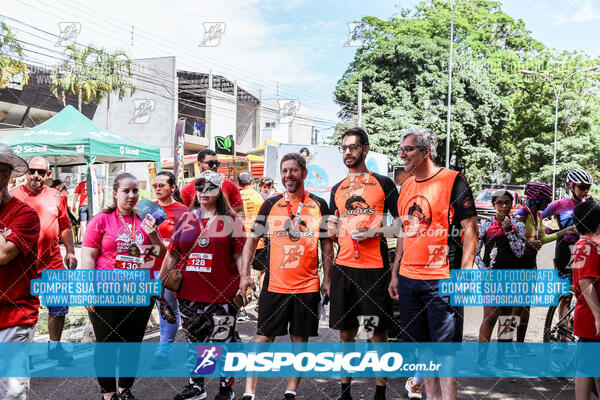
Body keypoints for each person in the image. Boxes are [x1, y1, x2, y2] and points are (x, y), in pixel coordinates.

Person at [390, 128, 478, 400]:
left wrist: (464, 277)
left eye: (408, 149)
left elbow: (470, 229)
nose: (402, 154)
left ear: (426, 151)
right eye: (401, 149)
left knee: (446, 350)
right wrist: (395, 273)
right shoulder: (405, 186)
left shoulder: (453, 180)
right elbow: (405, 231)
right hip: (408, 279)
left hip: (442, 279)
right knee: (422, 348)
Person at [239, 153, 333, 400]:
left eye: (293, 170)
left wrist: (328, 279)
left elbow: (326, 246)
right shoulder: (269, 204)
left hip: (307, 286)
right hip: (276, 284)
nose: (288, 175)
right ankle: (249, 393)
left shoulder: (320, 205)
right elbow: (252, 239)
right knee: (263, 337)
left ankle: (290, 391)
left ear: (304, 173)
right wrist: (245, 274)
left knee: (299, 340)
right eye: (284, 171)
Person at [326, 127, 399, 400]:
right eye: (344, 147)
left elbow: (403, 225)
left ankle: (380, 392)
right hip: (344, 268)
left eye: (353, 147)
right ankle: (345, 392)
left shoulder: (383, 183)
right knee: (346, 334)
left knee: (376, 332)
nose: (347, 152)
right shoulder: (337, 188)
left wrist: (374, 232)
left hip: (374, 268)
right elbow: (332, 231)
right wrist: (332, 231)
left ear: (365, 149)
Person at [159, 170, 246, 400]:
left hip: (222, 294)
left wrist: (244, 282)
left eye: (210, 187)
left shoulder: (232, 220)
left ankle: (226, 387)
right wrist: (160, 282)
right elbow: (172, 254)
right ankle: (197, 387)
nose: (204, 192)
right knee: (194, 341)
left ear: (219, 192)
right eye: (200, 187)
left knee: (223, 341)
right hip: (188, 293)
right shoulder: (187, 218)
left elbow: (239, 256)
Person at [82, 172, 166, 400]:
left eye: (135, 190)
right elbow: (89, 257)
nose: (131, 195)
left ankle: (125, 389)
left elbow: (156, 256)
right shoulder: (101, 220)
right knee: (107, 346)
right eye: (126, 191)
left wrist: (154, 237)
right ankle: (108, 394)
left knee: (132, 345)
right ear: (115, 193)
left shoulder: (145, 220)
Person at [10, 156, 78, 365]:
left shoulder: (57, 196)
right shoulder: (12, 196)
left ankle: (55, 348)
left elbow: (65, 225)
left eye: (41, 172)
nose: (35, 175)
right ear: (25, 173)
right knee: (23, 311)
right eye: (31, 171)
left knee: (58, 308)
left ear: (48, 175)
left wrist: (71, 252)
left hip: (52, 263)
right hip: (22, 264)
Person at [515, 169, 594, 325]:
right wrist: (533, 234)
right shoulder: (560, 204)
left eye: (588, 187)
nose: (585, 190)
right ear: (571, 186)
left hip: (585, 250)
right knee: (565, 294)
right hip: (566, 250)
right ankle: (562, 332)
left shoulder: (592, 205)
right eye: (582, 186)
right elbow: (534, 215)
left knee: (585, 290)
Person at [0, 144, 40, 400]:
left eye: (1, 171)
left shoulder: (25, 213)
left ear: (8, 175)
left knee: (11, 393)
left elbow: (2, 254)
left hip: (14, 317)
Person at [512, 181, 575, 345]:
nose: (549, 203)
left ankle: (519, 345)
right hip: (517, 266)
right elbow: (509, 240)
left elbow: (543, 238)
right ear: (536, 199)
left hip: (531, 265)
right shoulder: (521, 215)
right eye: (546, 199)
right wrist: (527, 243)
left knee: (525, 308)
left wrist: (566, 231)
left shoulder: (537, 216)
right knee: (513, 310)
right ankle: (504, 349)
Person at [474, 190, 526, 371]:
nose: (504, 206)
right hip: (491, 277)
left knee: (508, 319)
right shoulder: (486, 225)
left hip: (511, 277)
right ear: (493, 204)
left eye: (507, 203)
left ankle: (501, 359)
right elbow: (475, 252)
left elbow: (520, 252)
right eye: (500, 203)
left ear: (512, 204)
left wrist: (509, 231)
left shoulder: (518, 225)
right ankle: (481, 361)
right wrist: (483, 269)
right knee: (490, 317)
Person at [149, 171, 188, 370]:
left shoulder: (182, 210)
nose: (157, 188)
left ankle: (163, 354)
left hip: (169, 270)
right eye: (155, 185)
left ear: (172, 187)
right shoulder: (147, 208)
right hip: (144, 268)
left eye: (162, 185)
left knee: (167, 309)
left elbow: (188, 242)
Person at [571, 200, 600, 399]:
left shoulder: (587, 244)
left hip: (590, 317)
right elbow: (584, 283)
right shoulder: (586, 246)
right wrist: (598, 316)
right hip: (591, 318)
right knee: (587, 368)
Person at [180, 149, 243, 213]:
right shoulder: (187, 189)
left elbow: (240, 210)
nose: (214, 166)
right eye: (211, 163)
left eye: (217, 163)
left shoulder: (230, 185)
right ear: (199, 164)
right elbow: (182, 214)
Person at [238, 170, 267, 293]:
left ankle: (241, 309)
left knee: (243, 272)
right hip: (259, 241)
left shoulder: (236, 197)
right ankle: (261, 301)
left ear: (239, 184)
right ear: (253, 182)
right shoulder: (261, 196)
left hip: (240, 241)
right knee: (263, 271)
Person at [72, 175, 103, 241]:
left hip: (83, 205)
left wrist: (73, 204)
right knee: (90, 223)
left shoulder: (81, 184)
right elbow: (101, 194)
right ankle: (89, 240)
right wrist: (99, 204)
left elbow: (76, 195)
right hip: (92, 206)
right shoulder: (96, 185)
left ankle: (84, 240)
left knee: (82, 223)